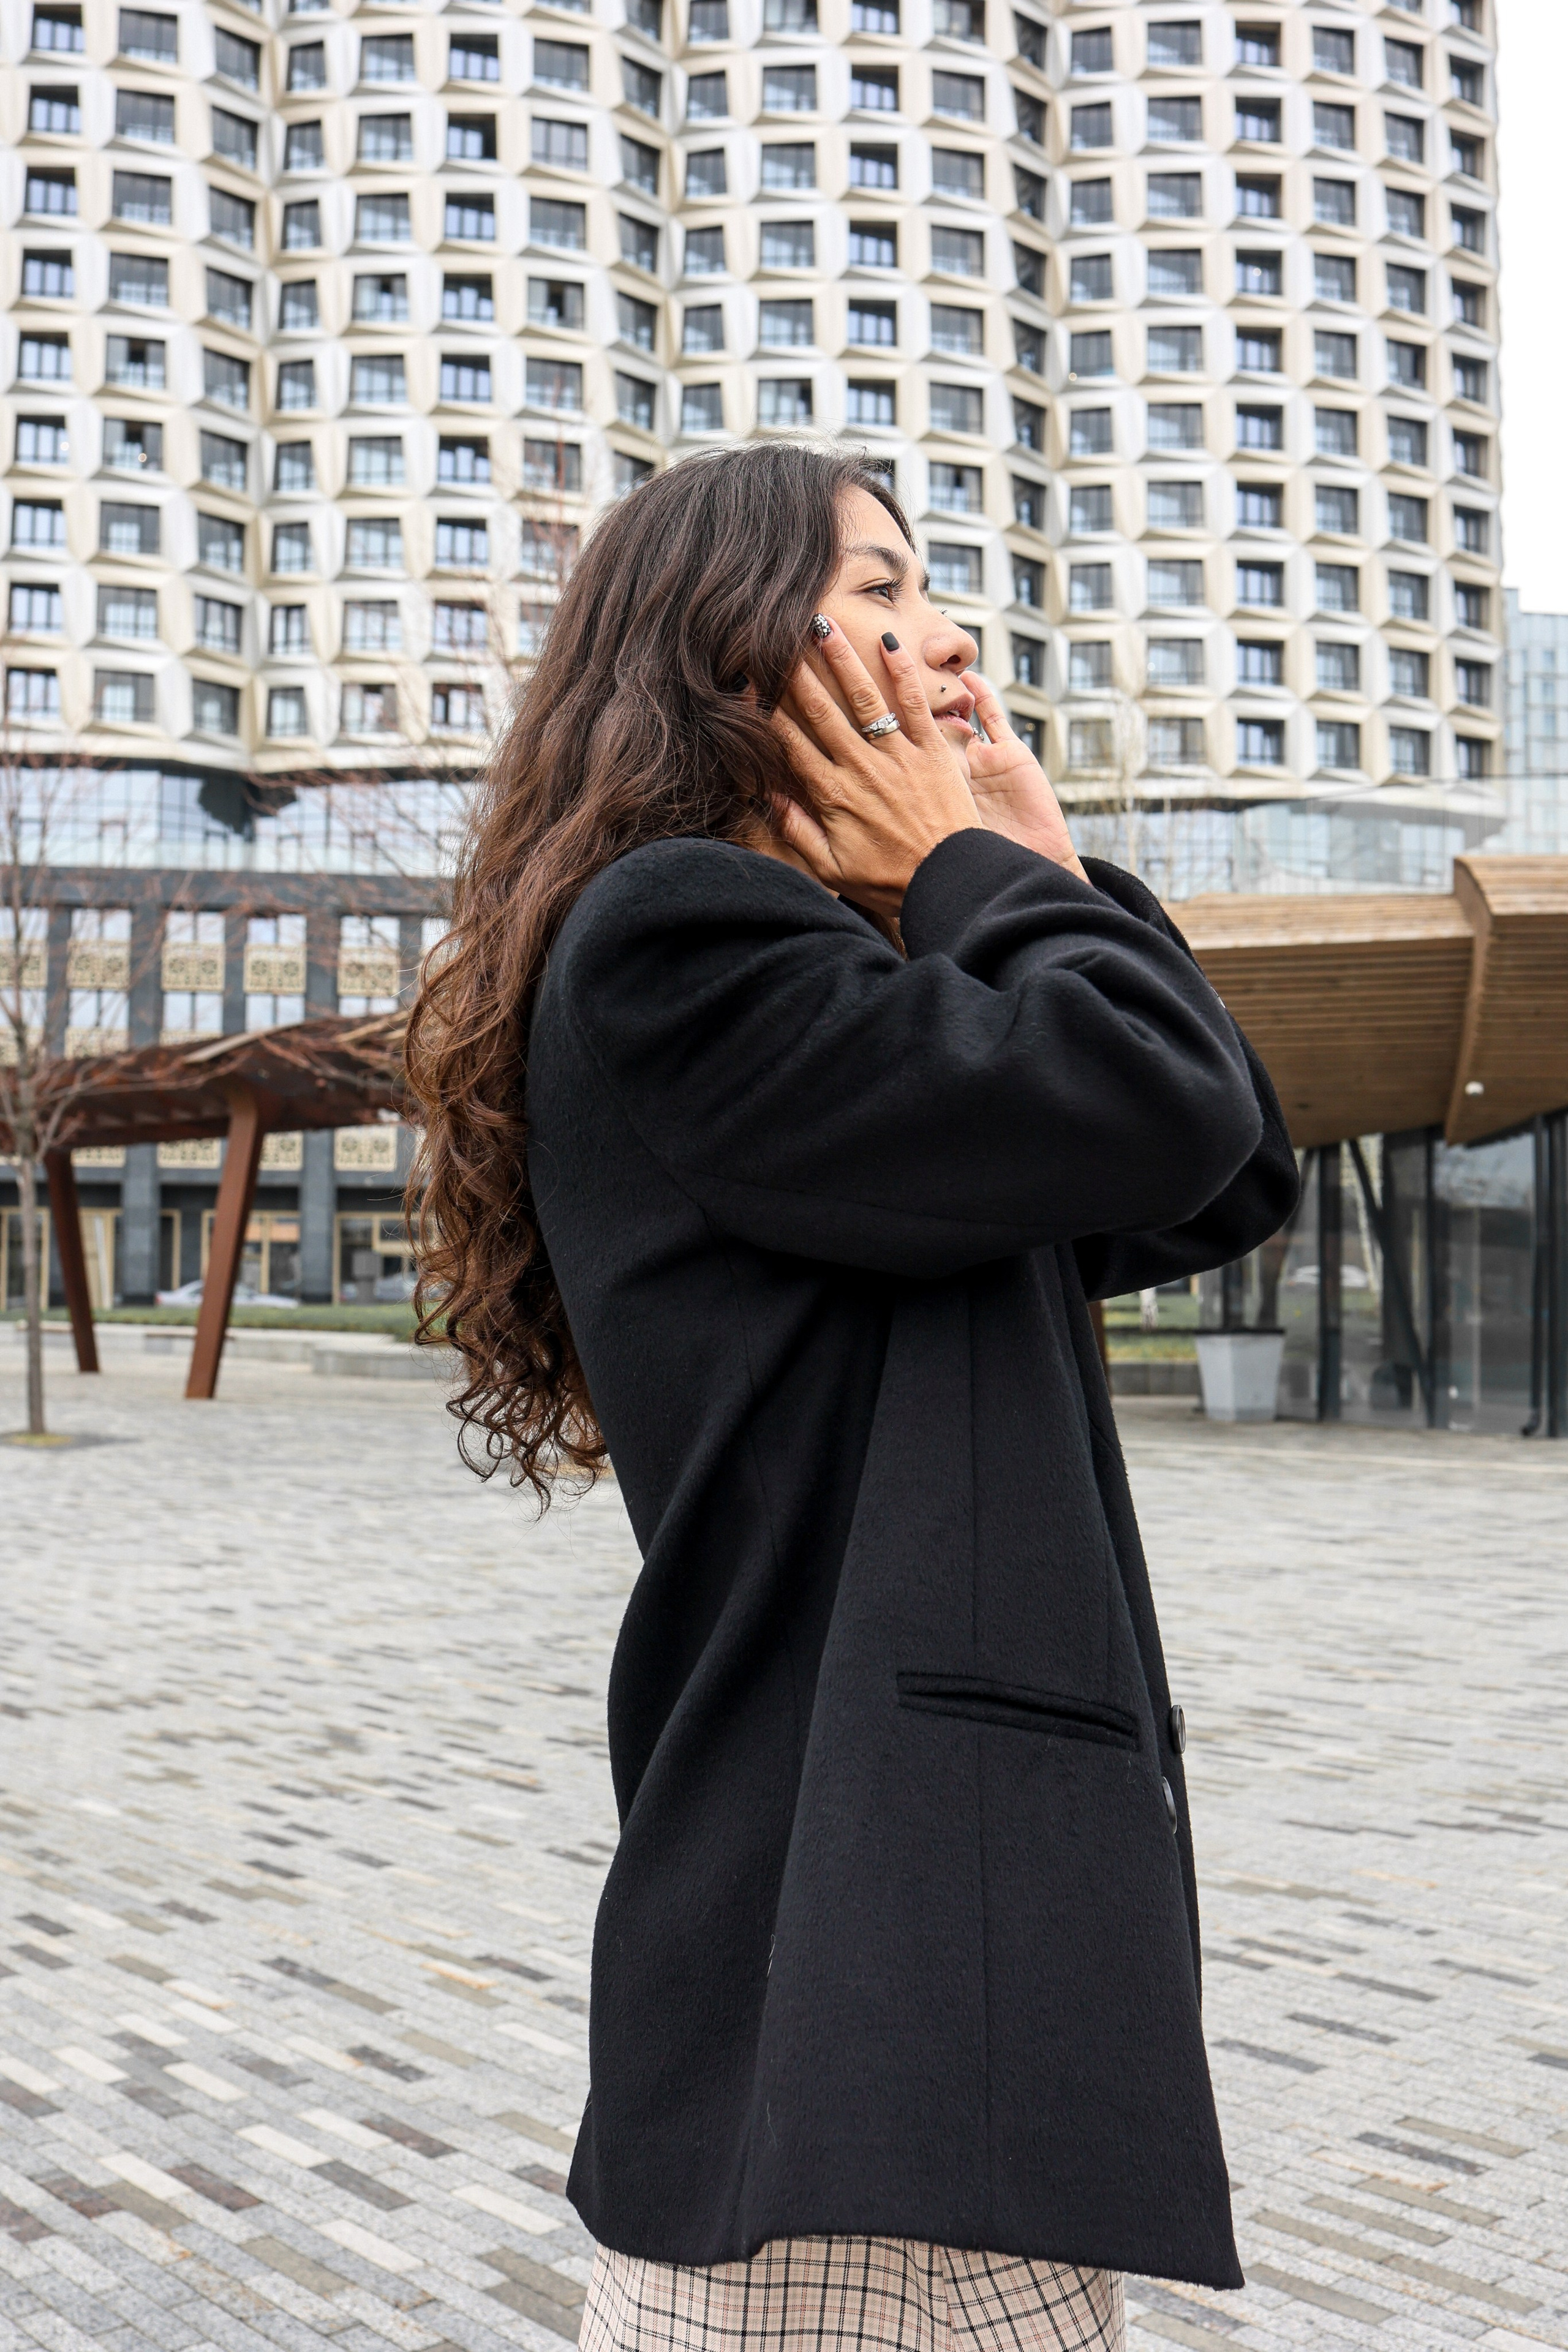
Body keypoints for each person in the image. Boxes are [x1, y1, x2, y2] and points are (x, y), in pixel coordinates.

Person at [405, 445, 1298, 2352]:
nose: (950, 637)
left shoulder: (857, 988)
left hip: (916, 1964)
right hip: (851, 1972)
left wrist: (1026, 868)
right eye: (885, 588)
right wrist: (985, 875)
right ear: (734, 647)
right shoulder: (679, 943)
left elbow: (1223, 1173)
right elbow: (1158, 1101)